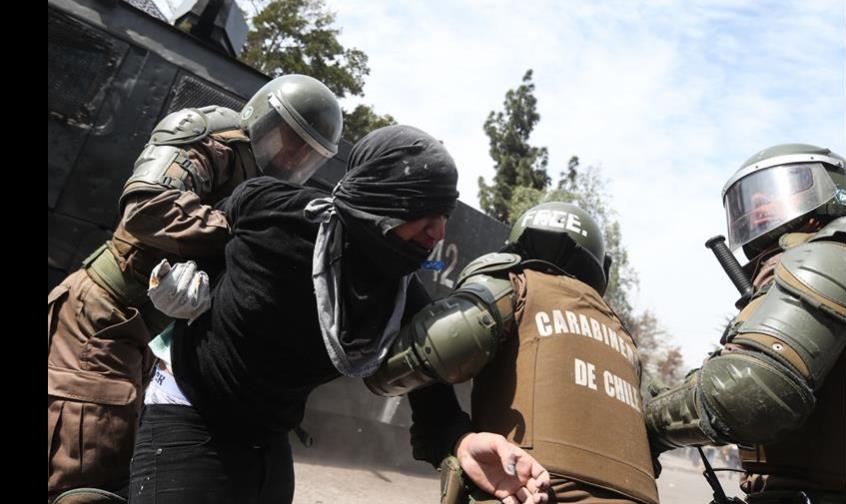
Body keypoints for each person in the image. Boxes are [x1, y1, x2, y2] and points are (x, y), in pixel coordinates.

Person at [131, 125, 551, 504]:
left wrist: (461, 441)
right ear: (381, 194)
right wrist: (176, 284)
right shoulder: (271, 208)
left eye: (445, 215)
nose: (438, 232)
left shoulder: (401, 293)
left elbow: (430, 387)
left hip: (268, 437)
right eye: (425, 209)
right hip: (188, 409)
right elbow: (197, 231)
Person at [47, 73, 342, 501]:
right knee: (85, 468)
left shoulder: (269, 195)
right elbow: (146, 208)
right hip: (102, 317)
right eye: (287, 139)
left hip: (153, 336)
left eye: (306, 155)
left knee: (133, 466)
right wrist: (248, 238)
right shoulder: (207, 138)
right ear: (260, 118)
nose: (292, 157)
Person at [367, 201, 660, 504]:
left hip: (527, 493)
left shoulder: (516, 285)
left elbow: (402, 366)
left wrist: (451, 434)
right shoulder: (625, 339)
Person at [644, 143, 846, 504]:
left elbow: (747, 390)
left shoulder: (833, 250)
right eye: (750, 202)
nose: (760, 210)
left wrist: (650, 421)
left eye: (775, 193)